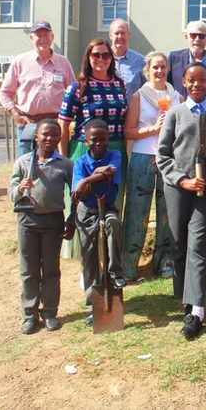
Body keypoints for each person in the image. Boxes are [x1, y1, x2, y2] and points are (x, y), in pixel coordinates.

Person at [156, 62, 206, 340]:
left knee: (197, 242)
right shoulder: (175, 114)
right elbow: (163, 155)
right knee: (178, 241)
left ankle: (196, 308)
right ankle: (184, 295)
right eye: (191, 81)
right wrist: (181, 179)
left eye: (202, 80)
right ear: (184, 83)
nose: (197, 85)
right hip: (178, 187)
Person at [58, 38, 128, 259]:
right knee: (84, 203)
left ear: (111, 59)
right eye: (96, 55)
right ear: (88, 57)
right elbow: (64, 122)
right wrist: (63, 157)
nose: (101, 59)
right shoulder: (78, 86)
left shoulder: (120, 84)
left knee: (112, 201)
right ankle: (86, 259)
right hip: (84, 148)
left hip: (114, 148)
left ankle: (109, 257)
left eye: (106, 55)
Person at [8, 120, 75, 334]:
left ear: (59, 138)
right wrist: (20, 188)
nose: (49, 138)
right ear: (36, 136)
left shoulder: (64, 164)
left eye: (54, 135)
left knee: (51, 269)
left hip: (53, 222)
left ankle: (49, 313)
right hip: (27, 221)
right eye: (44, 134)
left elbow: (76, 195)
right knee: (29, 270)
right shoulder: (24, 162)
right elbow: (11, 193)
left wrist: (71, 219)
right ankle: (29, 314)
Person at [121, 51, 183, 281]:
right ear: (146, 70)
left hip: (168, 159)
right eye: (155, 67)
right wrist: (153, 129)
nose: (159, 71)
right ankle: (129, 266)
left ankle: (163, 260)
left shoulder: (176, 96)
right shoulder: (139, 96)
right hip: (143, 158)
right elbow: (128, 131)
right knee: (138, 213)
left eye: (163, 67)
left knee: (167, 213)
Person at [71, 119, 126, 327]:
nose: (98, 143)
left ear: (108, 139)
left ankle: (115, 272)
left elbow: (111, 172)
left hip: (108, 208)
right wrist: (93, 178)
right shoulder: (80, 163)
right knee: (90, 257)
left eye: (103, 139)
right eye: (94, 139)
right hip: (87, 212)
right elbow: (78, 192)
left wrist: (86, 180)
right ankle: (92, 305)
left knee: (113, 225)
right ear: (86, 140)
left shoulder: (115, 155)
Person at [0, 20, 75, 156]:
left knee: (56, 167)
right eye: (39, 35)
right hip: (28, 123)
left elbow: (74, 94)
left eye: (46, 35)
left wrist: (67, 119)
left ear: (53, 37)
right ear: (31, 38)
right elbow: (4, 93)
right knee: (27, 167)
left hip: (56, 125)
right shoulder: (20, 62)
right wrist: (16, 115)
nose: (43, 39)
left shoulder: (63, 63)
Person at [168, 21, 206, 103]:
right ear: (186, 37)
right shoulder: (174, 59)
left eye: (201, 36)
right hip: (179, 110)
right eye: (193, 35)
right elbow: (167, 87)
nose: (197, 39)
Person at [108, 18, 145, 97]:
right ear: (110, 35)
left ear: (129, 34)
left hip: (132, 108)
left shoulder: (140, 61)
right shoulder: (102, 60)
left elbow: (147, 89)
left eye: (123, 33)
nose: (120, 36)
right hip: (108, 108)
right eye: (116, 33)